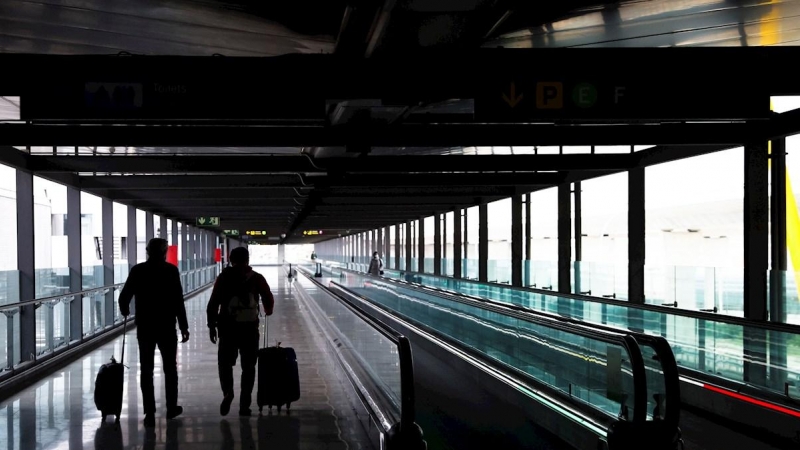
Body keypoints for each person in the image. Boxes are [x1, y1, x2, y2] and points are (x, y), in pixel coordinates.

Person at [118, 238, 189, 427]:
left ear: (148, 251)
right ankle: (171, 408)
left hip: (146, 326)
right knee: (170, 369)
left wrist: (125, 308)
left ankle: (149, 412)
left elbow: (124, 296)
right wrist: (183, 326)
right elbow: (177, 300)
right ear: (165, 252)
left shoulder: (138, 271)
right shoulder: (170, 271)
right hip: (166, 326)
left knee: (146, 369)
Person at [206, 247, 275, 416]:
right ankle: (245, 404)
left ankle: (228, 392)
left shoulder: (223, 278)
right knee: (249, 367)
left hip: (227, 329)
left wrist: (211, 325)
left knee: (225, 364)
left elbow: (213, 302)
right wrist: (267, 310)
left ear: (230, 260)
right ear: (248, 260)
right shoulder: (257, 278)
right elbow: (268, 298)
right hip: (250, 329)